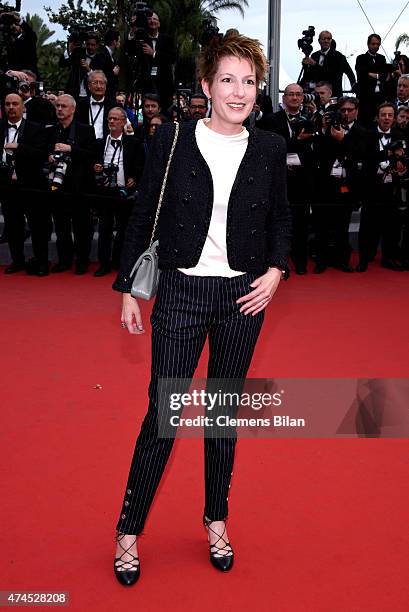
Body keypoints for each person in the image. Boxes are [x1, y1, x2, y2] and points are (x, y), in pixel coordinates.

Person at [111, 31, 291, 586]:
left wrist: (275, 272)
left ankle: (217, 520)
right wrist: (128, 287)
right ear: (207, 86)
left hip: (243, 296)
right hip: (183, 292)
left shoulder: (267, 147)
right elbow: (143, 213)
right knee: (163, 417)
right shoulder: (171, 139)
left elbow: (281, 219)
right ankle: (128, 531)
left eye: (249, 81)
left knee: (222, 418)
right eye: (228, 80)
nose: (240, 92)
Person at [301, 30, 356, 98]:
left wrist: (353, 86)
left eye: (328, 39)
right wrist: (305, 65)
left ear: (331, 40)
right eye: (324, 39)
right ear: (319, 41)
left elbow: (332, 74)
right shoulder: (315, 55)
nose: (326, 41)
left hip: (333, 95)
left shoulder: (339, 56)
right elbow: (309, 75)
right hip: (316, 94)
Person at [355, 34, 389, 127]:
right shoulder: (361, 58)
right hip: (365, 98)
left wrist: (374, 75)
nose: (375, 46)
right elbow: (362, 75)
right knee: (365, 124)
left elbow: (385, 75)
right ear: (368, 44)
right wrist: (378, 75)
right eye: (373, 44)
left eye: (378, 44)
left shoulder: (381, 58)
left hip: (380, 98)